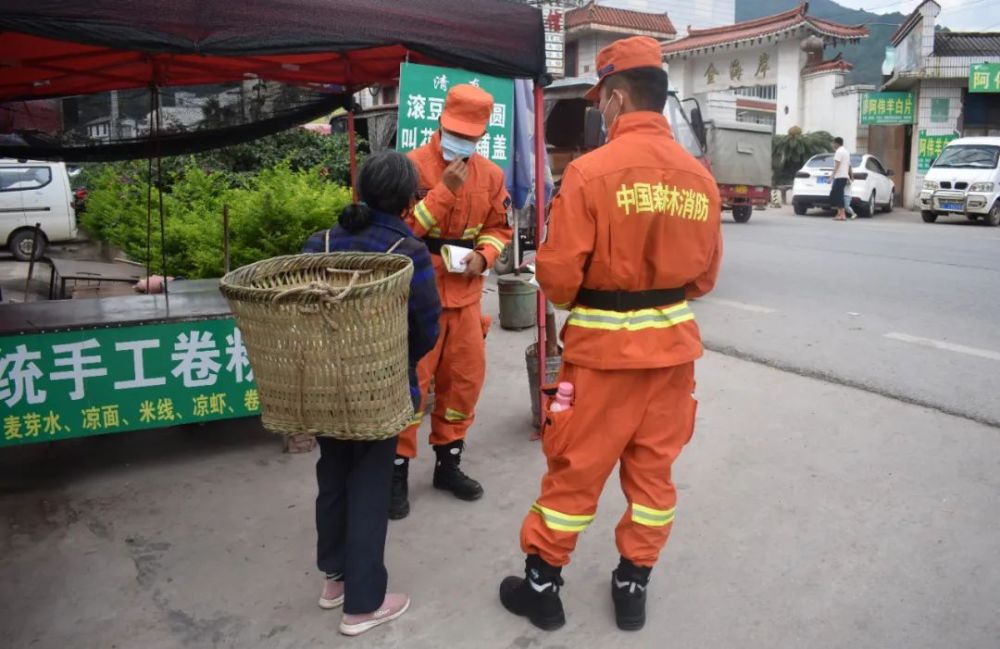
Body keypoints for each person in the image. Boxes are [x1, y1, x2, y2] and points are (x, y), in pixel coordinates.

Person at [498, 36, 723, 632]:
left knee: (574, 473)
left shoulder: (589, 174)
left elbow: (559, 278)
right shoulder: (700, 179)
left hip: (601, 361)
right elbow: (704, 279)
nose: (601, 112)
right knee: (653, 479)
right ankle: (632, 587)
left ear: (619, 98)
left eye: (602, 103)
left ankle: (542, 589)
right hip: (672, 361)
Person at [301, 150, 441, 636]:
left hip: (322, 384)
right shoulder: (408, 251)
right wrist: (402, 360)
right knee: (368, 484)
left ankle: (334, 581)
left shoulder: (317, 242)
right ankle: (363, 604)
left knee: (333, 473)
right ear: (408, 201)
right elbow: (428, 325)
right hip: (378, 388)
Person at [392, 83, 514, 519]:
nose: (461, 141)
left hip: (465, 297)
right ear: (440, 123)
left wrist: (484, 257)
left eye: (470, 136)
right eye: (454, 131)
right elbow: (402, 233)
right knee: (411, 388)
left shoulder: (491, 175)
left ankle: (449, 463)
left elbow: (500, 227)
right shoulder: (411, 168)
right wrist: (443, 190)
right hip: (418, 295)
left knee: (463, 383)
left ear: (482, 135)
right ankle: (396, 472)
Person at [831, 136, 855, 220]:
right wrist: (851, 176)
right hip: (844, 176)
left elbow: (837, 165)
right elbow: (849, 165)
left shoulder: (839, 152)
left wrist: (831, 176)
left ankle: (842, 215)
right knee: (838, 194)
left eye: (833, 143)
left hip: (839, 176)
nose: (832, 145)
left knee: (838, 195)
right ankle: (840, 214)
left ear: (836, 143)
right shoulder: (846, 152)